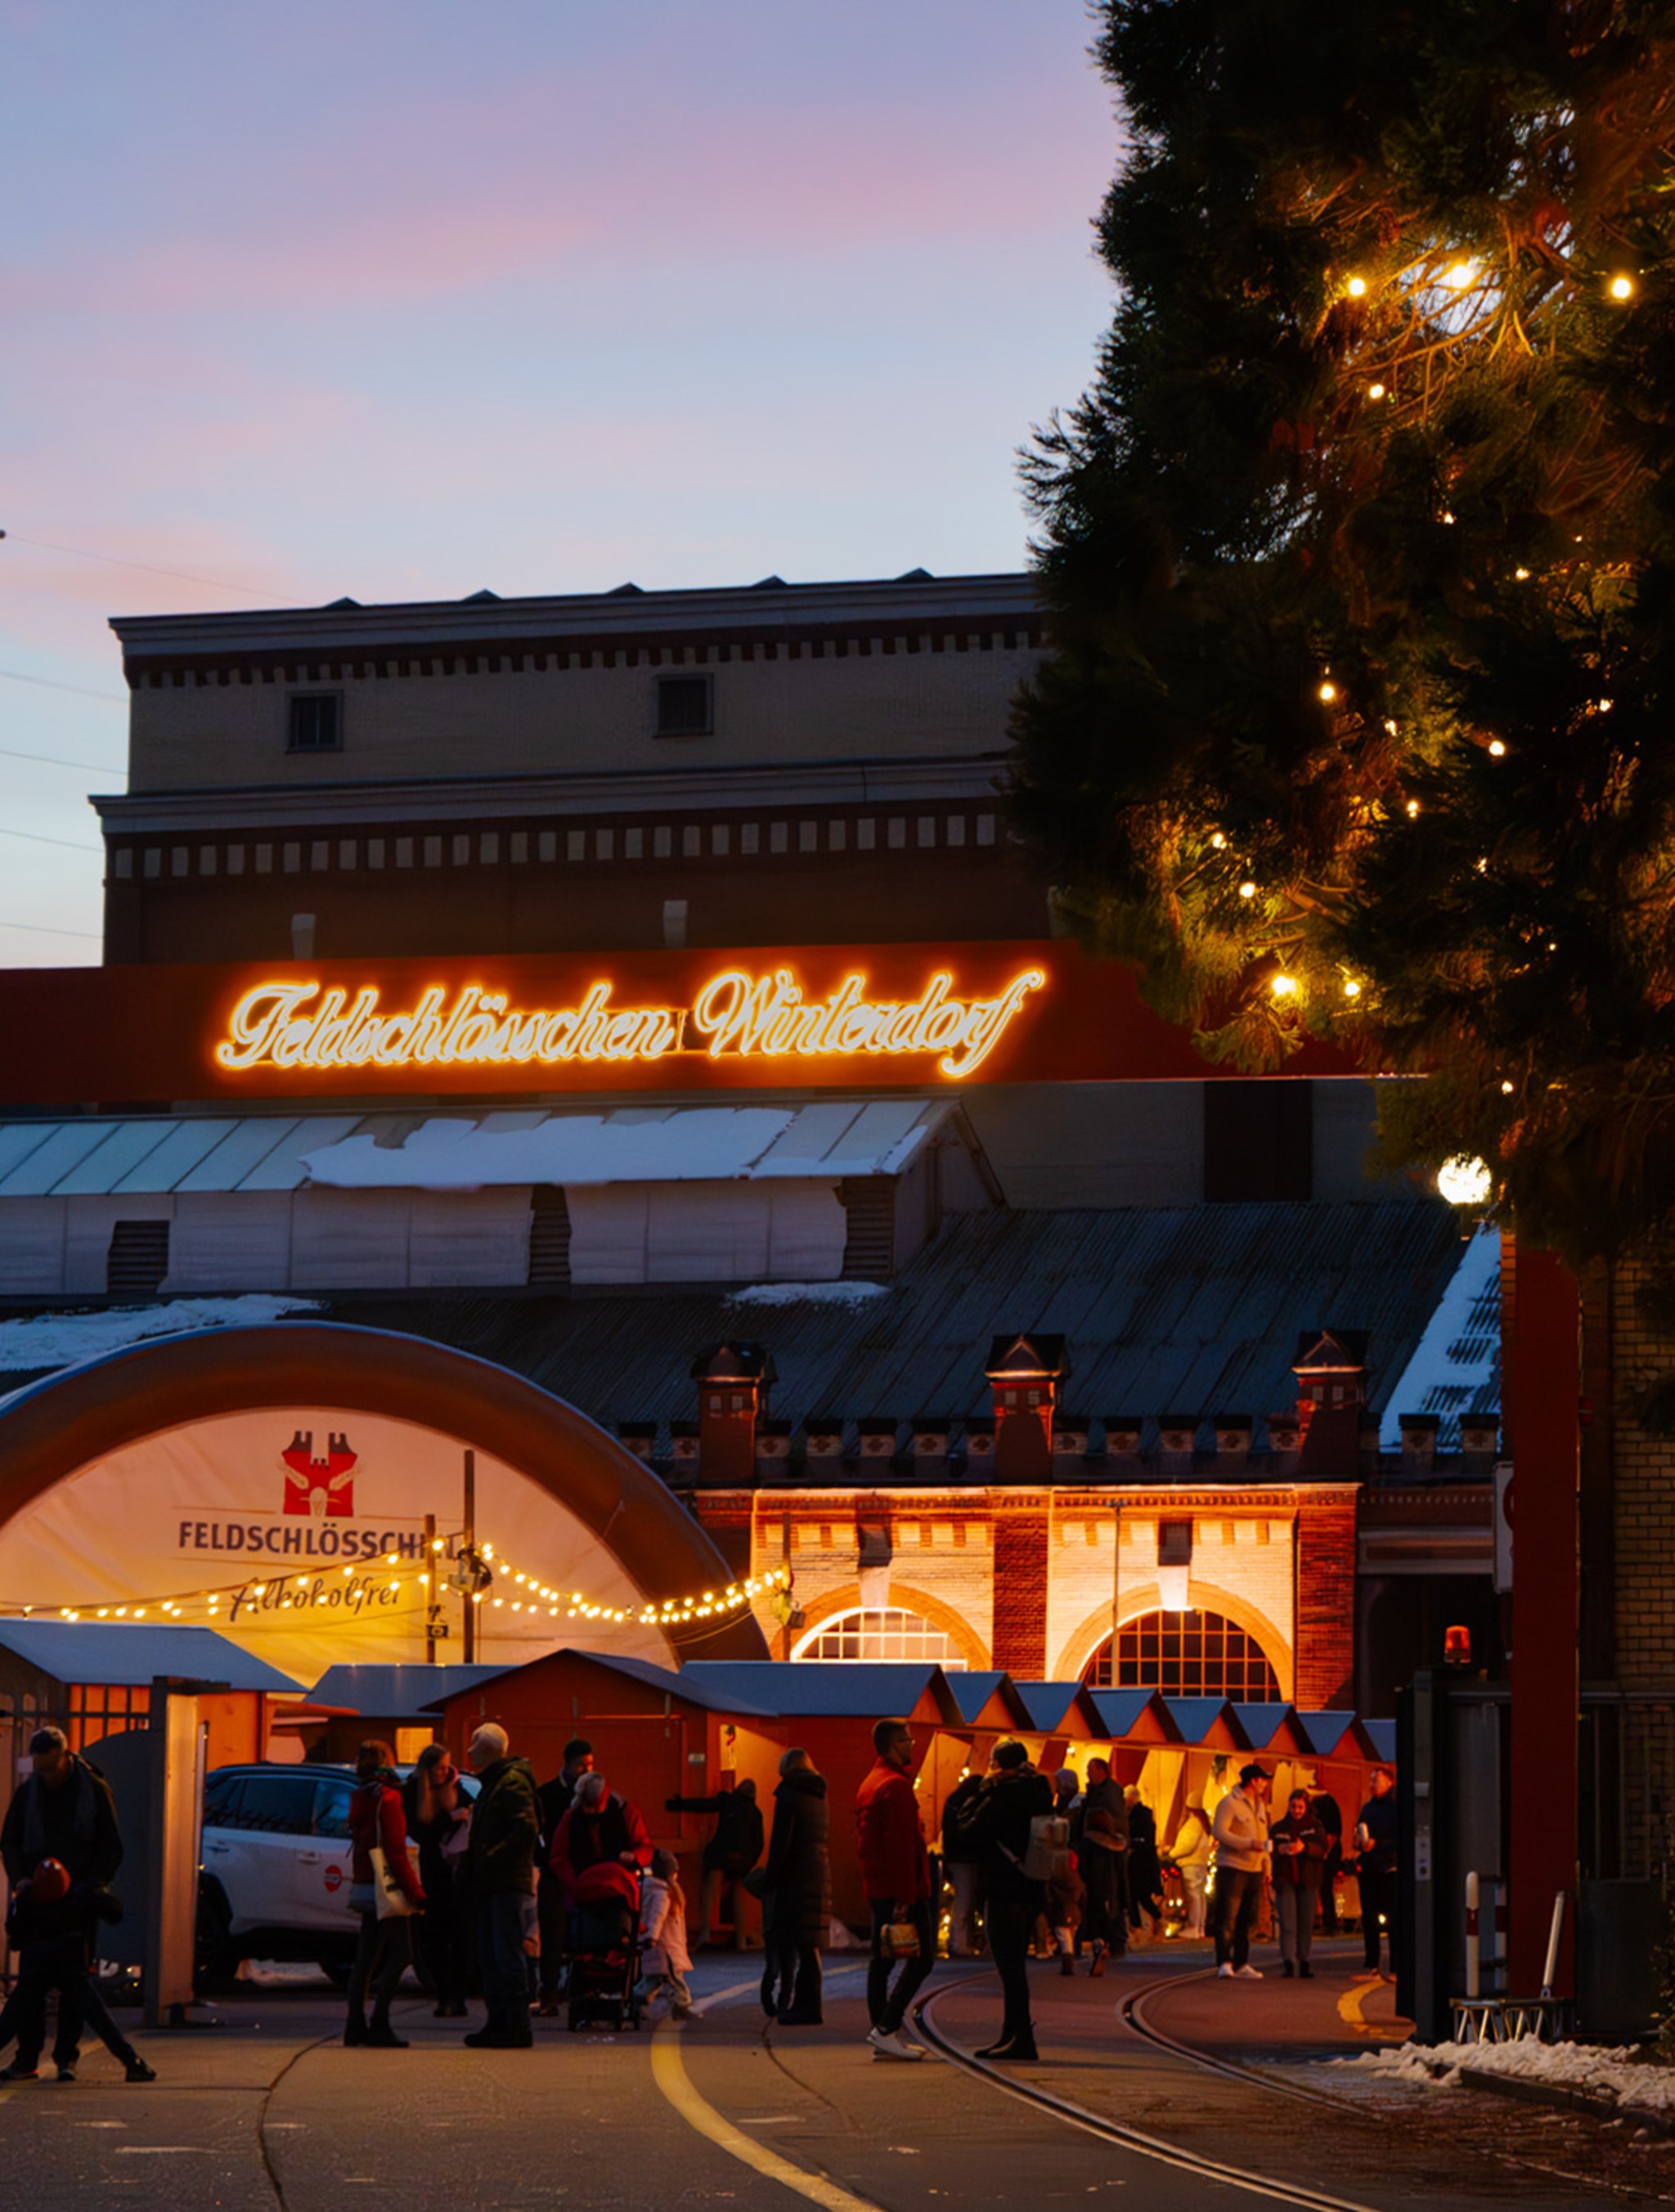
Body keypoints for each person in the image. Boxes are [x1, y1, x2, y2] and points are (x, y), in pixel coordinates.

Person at [0, 1725, 137, 2083]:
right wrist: (21, 1879)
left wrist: (88, 1887)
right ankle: (26, 2058)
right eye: (40, 1769)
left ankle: (66, 2057)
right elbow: (11, 1842)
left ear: (65, 1757)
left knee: (75, 1986)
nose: (46, 1776)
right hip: (37, 1903)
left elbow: (111, 1847)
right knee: (32, 1986)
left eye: (51, 1768)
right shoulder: (29, 1793)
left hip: (76, 1901)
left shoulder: (93, 1790)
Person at [0, 1857, 155, 2084]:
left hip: (37, 1964)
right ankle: (131, 2063)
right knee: (98, 2016)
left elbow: (14, 1933)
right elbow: (115, 1911)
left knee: (13, 2016)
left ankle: (28, 2061)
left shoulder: (29, 1901)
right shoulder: (79, 1897)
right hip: (69, 1963)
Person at [957, 1741, 1054, 2060]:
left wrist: (979, 1790)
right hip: (1031, 1887)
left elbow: (966, 1832)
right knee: (1017, 1968)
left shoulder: (1000, 1796)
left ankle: (1020, 2037)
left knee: (1009, 1969)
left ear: (997, 1765)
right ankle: (1014, 2035)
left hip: (1003, 1887)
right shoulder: (1040, 1792)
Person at [855, 1716, 933, 2061]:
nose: (911, 1746)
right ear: (893, 1745)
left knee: (882, 1960)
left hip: (878, 1885)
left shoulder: (871, 1783)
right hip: (903, 1889)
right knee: (921, 1959)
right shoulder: (896, 1787)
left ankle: (882, 2030)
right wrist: (906, 1896)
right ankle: (885, 2028)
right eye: (907, 1741)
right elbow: (902, 1846)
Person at [462, 1721, 541, 2049]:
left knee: (504, 1955)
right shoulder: (499, 1782)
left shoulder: (509, 1784)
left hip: (505, 1882)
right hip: (496, 1880)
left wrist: (488, 1857)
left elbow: (525, 1829)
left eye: (475, 1743)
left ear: (489, 1749)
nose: (468, 1750)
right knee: (494, 1955)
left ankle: (514, 2025)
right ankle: (500, 2023)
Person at [344, 1739, 424, 2048]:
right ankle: (379, 2021)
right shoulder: (388, 1799)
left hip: (365, 1882)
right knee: (402, 1953)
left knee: (366, 1957)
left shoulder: (361, 1795)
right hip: (385, 1887)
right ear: (386, 1761)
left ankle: (355, 2023)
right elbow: (396, 1853)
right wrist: (417, 1894)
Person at [759, 1748, 830, 2026]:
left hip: (795, 1878)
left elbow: (780, 1843)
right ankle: (807, 2003)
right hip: (817, 1873)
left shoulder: (789, 1795)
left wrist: (770, 1880)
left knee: (798, 1943)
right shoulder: (818, 1794)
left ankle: (806, 2006)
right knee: (809, 1944)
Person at [403, 1743, 470, 2018]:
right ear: (427, 1769)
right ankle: (444, 1994)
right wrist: (449, 1819)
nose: (444, 1772)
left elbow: (471, 1811)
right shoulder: (416, 1792)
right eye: (439, 1768)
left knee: (462, 1936)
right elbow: (420, 1831)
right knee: (438, 1936)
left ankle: (459, 1995)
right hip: (434, 1870)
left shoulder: (457, 1787)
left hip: (458, 1870)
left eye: (446, 1766)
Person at [664, 1777, 765, 1948]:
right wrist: (749, 1862)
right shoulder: (755, 1812)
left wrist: (680, 1804)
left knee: (710, 1890)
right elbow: (759, 1843)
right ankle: (741, 1939)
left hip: (722, 1854)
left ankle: (705, 1931)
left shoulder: (728, 1801)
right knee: (739, 1896)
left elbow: (705, 1805)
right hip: (743, 1858)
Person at [535, 1738, 593, 2016]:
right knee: (553, 1934)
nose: (586, 1769)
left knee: (583, 1932)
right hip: (555, 1872)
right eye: (582, 1764)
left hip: (582, 1872)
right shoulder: (547, 1795)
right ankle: (549, 1989)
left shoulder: (591, 1795)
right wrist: (544, 1860)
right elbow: (536, 1832)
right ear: (568, 1763)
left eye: (590, 1764)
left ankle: (580, 1986)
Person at [551, 1772, 653, 1909]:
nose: (590, 1812)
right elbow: (559, 1858)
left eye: (594, 1806)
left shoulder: (627, 1813)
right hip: (584, 1894)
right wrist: (575, 1883)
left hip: (619, 1891)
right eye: (586, 1806)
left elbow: (645, 1847)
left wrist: (634, 1857)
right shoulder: (571, 1817)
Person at [1211, 1763, 1272, 1980]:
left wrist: (1267, 1865)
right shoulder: (1229, 1803)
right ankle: (1224, 1961)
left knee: (1247, 1919)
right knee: (1228, 1916)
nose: (1265, 1784)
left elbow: (1264, 1838)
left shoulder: (1259, 1805)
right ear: (1253, 1781)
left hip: (1254, 1869)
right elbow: (1219, 1832)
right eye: (1263, 1780)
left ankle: (1242, 1961)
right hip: (1232, 1867)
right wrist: (1247, 1843)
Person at [1071, 1757, 1128, 1971]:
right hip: (1103, 1858)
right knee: (1106, 1900)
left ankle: (1106, 1941)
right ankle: (1107, 1941)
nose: (1087, 1775)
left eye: (1090, 1770)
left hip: (1101, 1859)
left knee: (1102, 1900)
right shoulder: (1103, 1792)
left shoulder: (1107, 1794)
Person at [1269, 1789, 1329, 1978]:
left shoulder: (1315, 1827)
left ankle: (1304, 1960)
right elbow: (1269, 1851)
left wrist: (1305, 1848)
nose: (1297, 1810)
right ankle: (1288, 1961)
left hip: (1308, 1880)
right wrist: (1280, 1850)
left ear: (1306, 1807)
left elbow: (1322, 1849)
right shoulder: (1279, 1828)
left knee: (1305, 1922)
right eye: (1293, 1806)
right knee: (1288, 1921)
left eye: (1300, 1807)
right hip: (1285, 1879)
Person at [1354, 1767, 1399, 1976]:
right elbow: (1359, 1832)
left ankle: (1397, 1965)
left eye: (1377, 1781)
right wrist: (1359, 1842)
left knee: (1394, 1918)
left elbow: (1403, 1839)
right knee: (1369, 1918)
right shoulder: (1367, 1808)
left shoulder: (1396, 1806)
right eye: (1371, 1781)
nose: (1373, 1785)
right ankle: (1371, 1962)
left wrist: (1378, 1844)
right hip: (1369, 1868)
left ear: (1390, 1782)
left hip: (1390, 1868)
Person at [640, 1848, 694, 2020]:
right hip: (667, 1946)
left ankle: (637, 1999)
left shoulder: (647, 1890)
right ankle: (682, 2004)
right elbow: (657, 1917)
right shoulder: (663, 1895)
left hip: (655, 1945)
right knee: (675, 1981)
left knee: (652, 1979)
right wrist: (653, 1936)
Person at [941, 1769, 987, 1958]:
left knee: (962, 1901)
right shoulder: (968, 1808)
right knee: (966, 1902)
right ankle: (960, 1943)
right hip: (966, 1858)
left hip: (955, 1858)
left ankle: (959, 1942)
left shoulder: (952, 1805)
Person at [1161, 1798, 1214, 1939]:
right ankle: (1200, 1927)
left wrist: (1171, 1854)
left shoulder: (1192, 1824)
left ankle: (1194, 1926)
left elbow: (1187, 1845)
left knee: (1193, 1896)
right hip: (1200, 1863)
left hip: (1191, 1863)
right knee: (1200, 1896)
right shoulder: (1202, 1824)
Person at [1124, 1786, 1165, 1940]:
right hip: (1145, 1861)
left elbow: (1139, 1837)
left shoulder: (1136, 1816)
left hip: (1138, 1861)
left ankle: (1140, 1925)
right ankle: (1150, 1922)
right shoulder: (1146, 1815)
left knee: (1136, 1894)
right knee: (1140, 1895)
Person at [1313, 1787, 1344, 1932]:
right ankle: (1328, 1920)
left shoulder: (1323, 1804)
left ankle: (1329, 1921)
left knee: (1324, 1887)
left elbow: (1332, 1834)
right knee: (1325, 1887)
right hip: (1329, 1851)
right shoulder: (1329, 1804)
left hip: (1326, 1852)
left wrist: (1325, 1851)